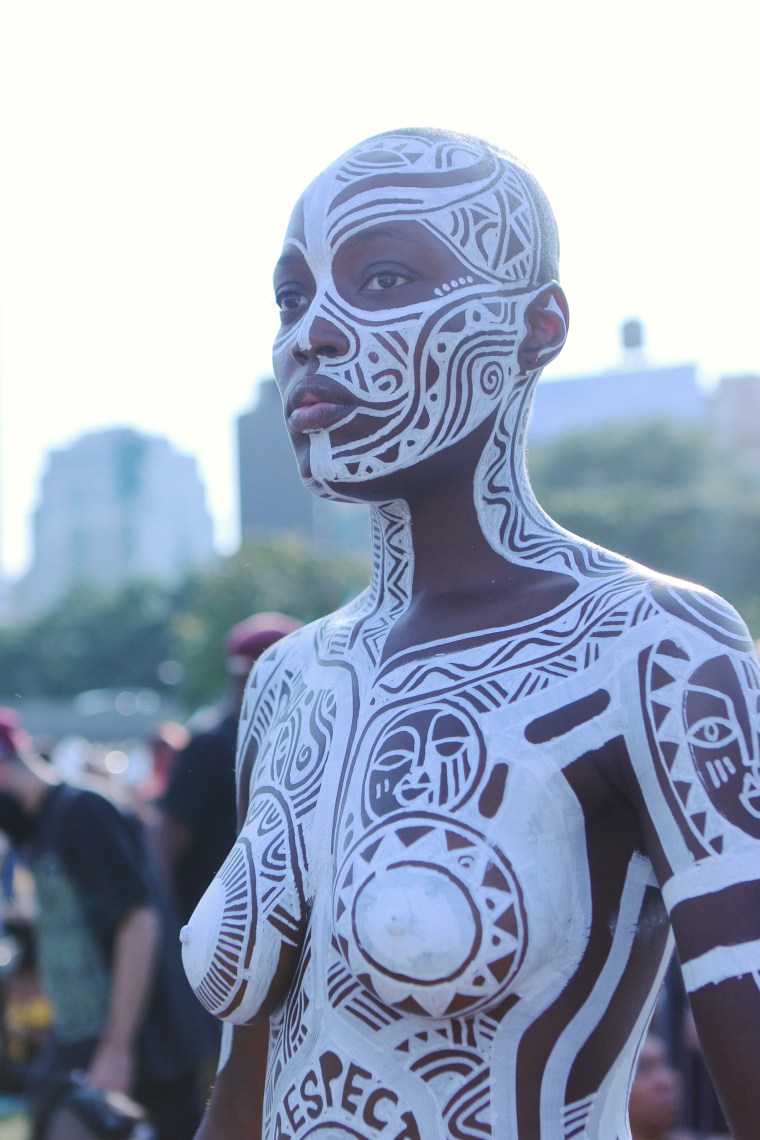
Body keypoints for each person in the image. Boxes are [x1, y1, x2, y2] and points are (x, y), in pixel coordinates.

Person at [181, 129, 760, 1139]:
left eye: (386, 277)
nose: (311, 333)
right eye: (291, 296)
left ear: (538, 327)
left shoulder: (654, 649)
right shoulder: (287, 682)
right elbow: (252, 1070)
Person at [0, 709, 211, 1140]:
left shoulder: (83, 811)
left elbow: (138, 921)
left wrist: (117, 1048)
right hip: (82, 1042)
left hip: (146, 1044)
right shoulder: (39, 826)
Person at [151, 612, 302, 928]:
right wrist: (173, 929)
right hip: (217, 931)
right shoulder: (211, 744)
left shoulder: (297, 739)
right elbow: (166, 839)